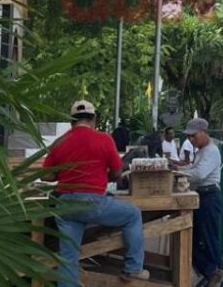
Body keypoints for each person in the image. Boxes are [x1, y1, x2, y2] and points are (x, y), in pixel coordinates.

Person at [43, 100, 149, 286]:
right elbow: (117, 173)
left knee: (68, 259)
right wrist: (103, 175)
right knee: (133, 214)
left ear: (71, 122)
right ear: (94, 119)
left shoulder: (60, 142)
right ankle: (133, 269)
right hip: (92, 201)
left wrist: (65, 173)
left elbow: (47, 176)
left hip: (65, 204)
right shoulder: (104, 139)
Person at [176, 118, 223, 286]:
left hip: (209, 198)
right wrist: (179, 169)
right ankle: (211, 272)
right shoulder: (202, 151)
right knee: (194, 239)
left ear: (204, 132)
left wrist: (180, 173)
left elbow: (199, 174)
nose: (191, 140)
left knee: (210, 238)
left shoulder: (211, 151)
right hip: (201, 197)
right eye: (189, 137)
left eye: (193, 136)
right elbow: (193, 170)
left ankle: (216, 272)